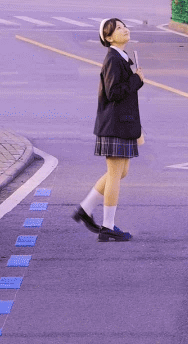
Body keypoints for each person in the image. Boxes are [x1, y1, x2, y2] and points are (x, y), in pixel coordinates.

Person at [73, 17, 143, 242]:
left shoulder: (121, 57)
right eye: (118, 29)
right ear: (109, 38)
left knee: (122, 172)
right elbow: (114, 93)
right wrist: (136, 80)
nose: (125, 30)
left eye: (124, 26)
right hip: (114, 124)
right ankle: (107, 226)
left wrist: (134, 80)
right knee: (115, 174)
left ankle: (86, 208)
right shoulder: (113, 58)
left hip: (122, 123)